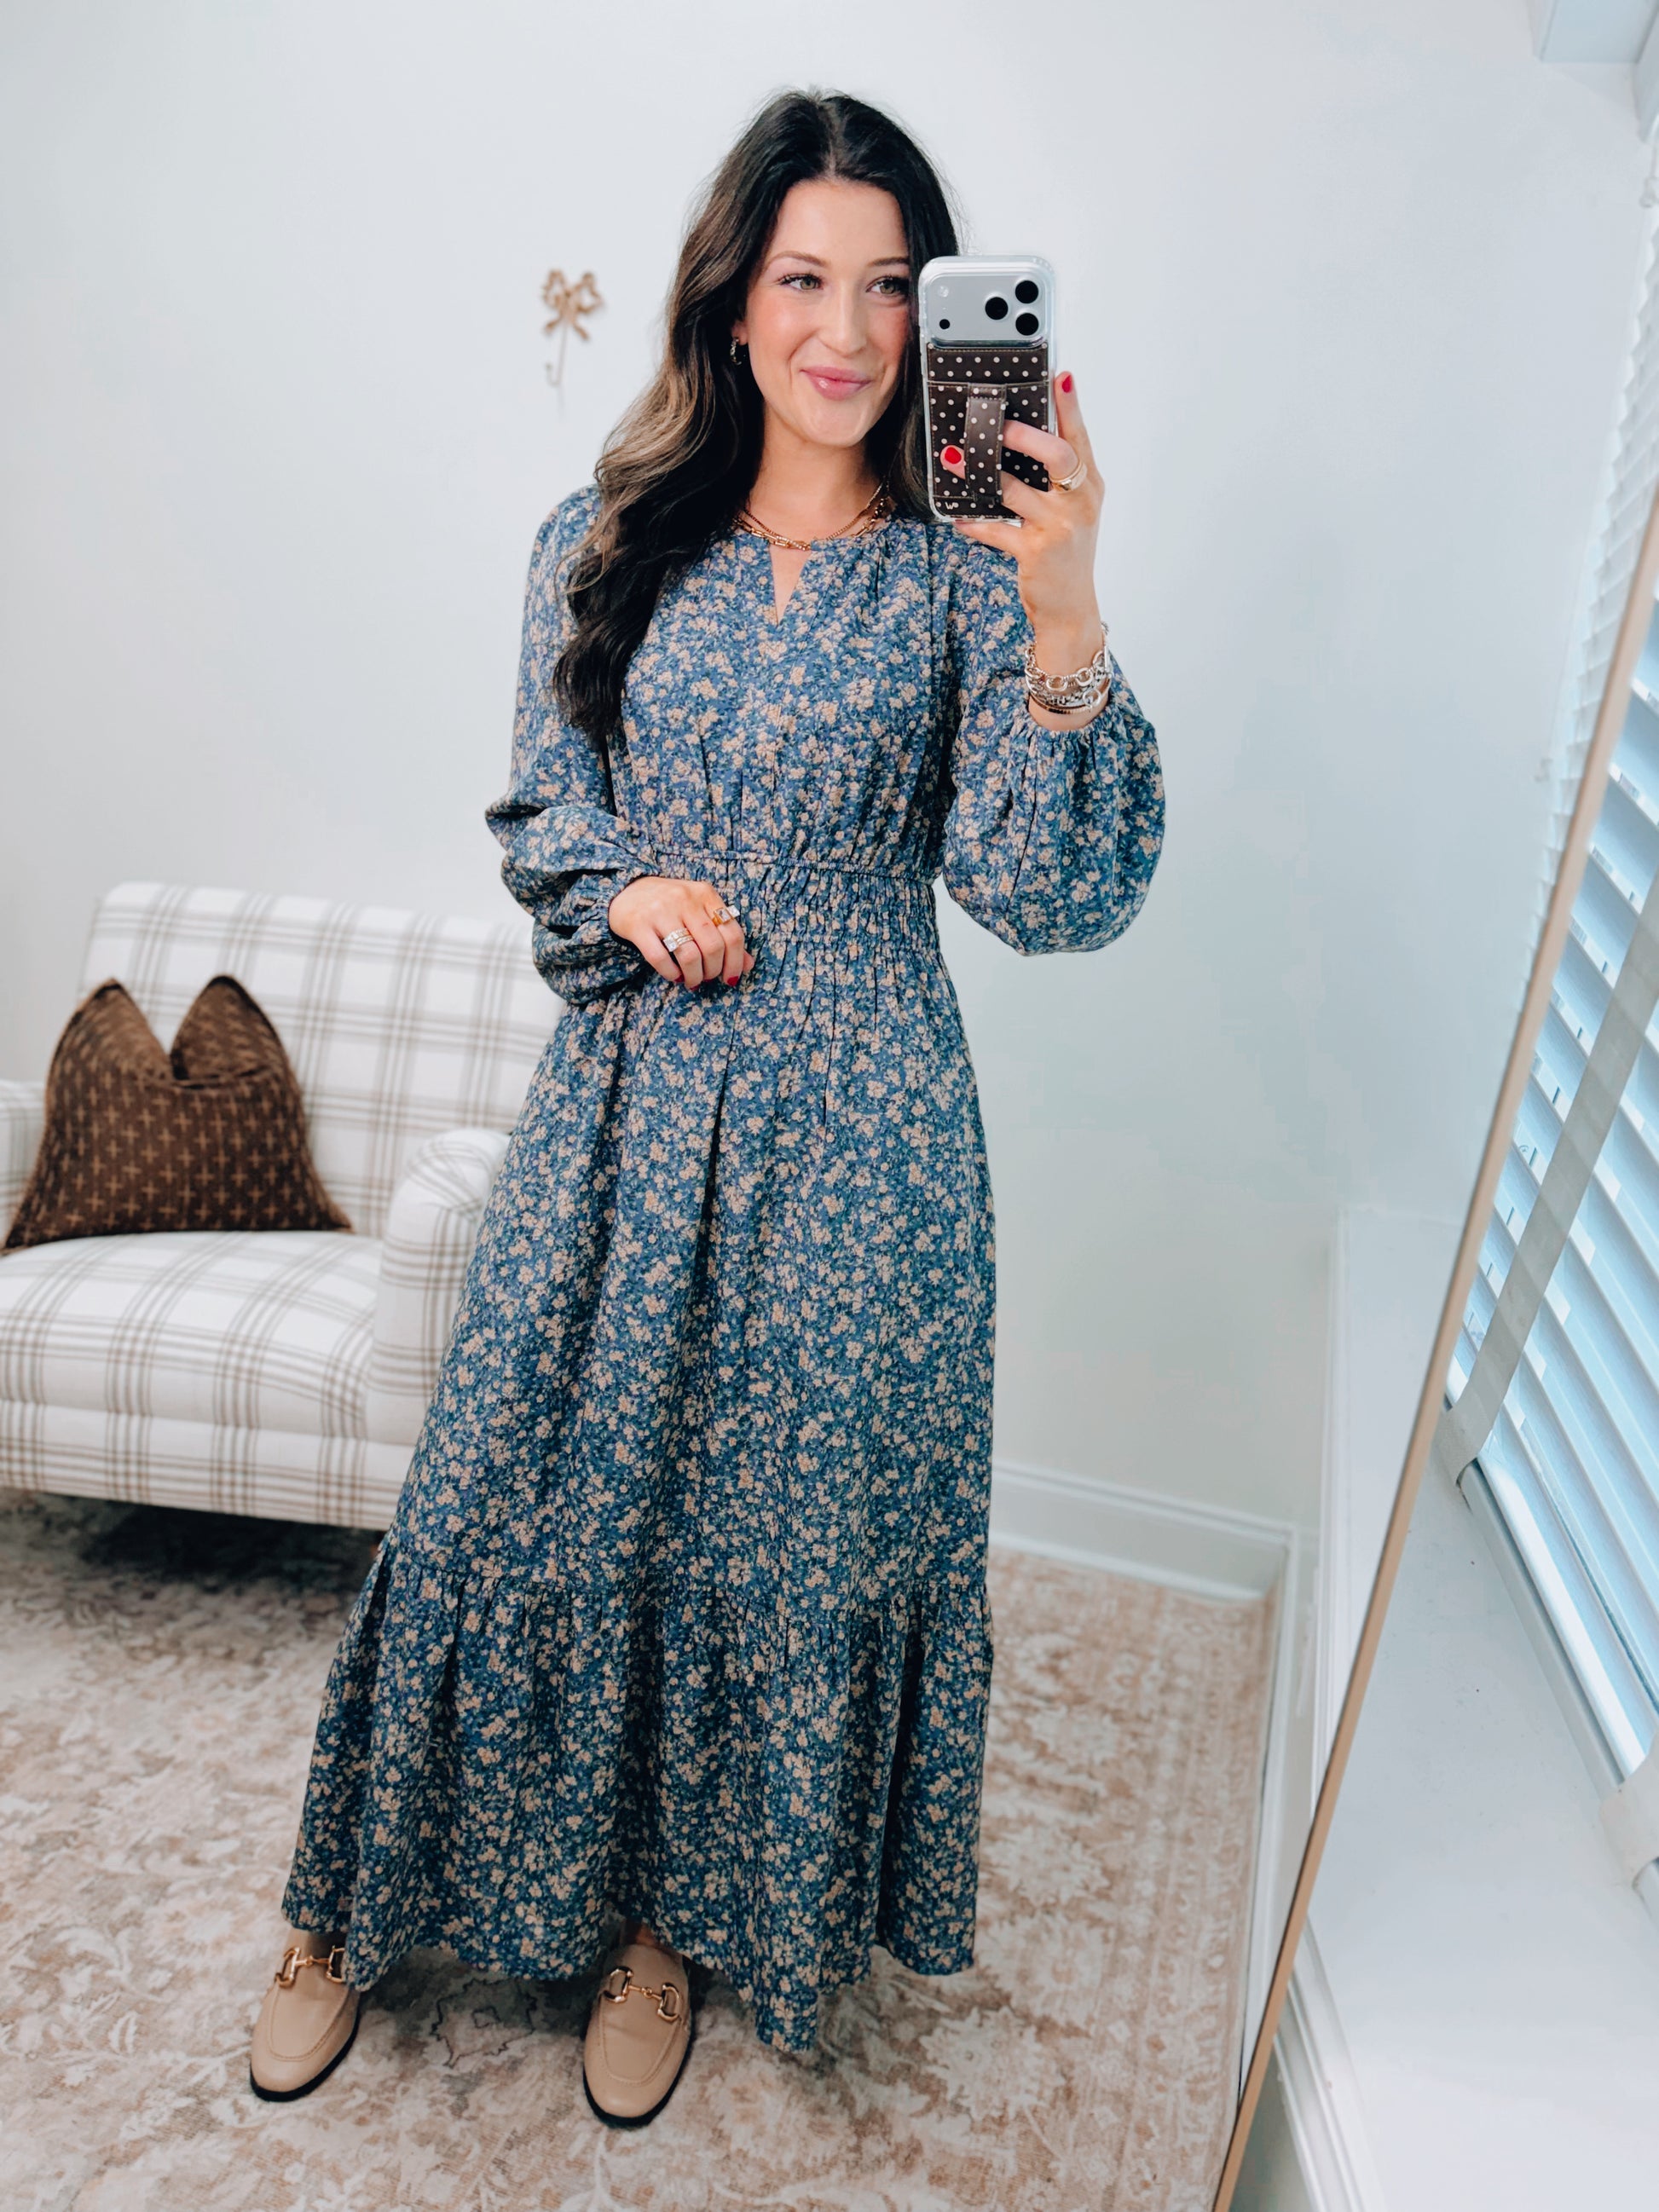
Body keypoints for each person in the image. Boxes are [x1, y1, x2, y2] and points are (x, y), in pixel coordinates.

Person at [249, 85, 1164, 2126]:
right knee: (500, 1494)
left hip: (865, 1137)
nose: (845, 331)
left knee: (771, 1542)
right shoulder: (598, 539)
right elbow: (542, 808)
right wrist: (625, 888)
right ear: (733, 298)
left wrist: (1068, 606)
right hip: (628, 1112)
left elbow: (1044, 893)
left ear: (938, 316)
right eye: (803, 279)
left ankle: (664, 1923)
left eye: (890, 289)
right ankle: (337, 1906)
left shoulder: (965, 578)